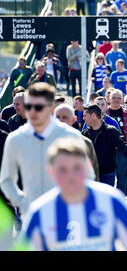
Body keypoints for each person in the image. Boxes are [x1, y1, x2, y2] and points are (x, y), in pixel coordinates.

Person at [21, 137, 127, 251]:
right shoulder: (40, 211)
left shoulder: (111, 201)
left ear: (88, 166)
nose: (71, 176)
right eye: (63, 169)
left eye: (77, 168)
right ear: (51, 172)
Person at [0, 83, 82, 215]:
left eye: (38, 107)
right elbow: (6, 180)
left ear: (51, 108)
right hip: (31, 215)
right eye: (28, 106)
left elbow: (87, 175)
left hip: (67, 213)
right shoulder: (15, 139)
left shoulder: (71, 136)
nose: (32, 111)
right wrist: (22, 203)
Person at [82, 104, 127, 187]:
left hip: (107, 174)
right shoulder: (85, 134)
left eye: (85, 115)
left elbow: (123, 144)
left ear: (93, 116)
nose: (83, 118)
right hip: (90, 174)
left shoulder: (111, 131)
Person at [54, 104, 99, 180]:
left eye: (65, 117)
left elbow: (93, 172)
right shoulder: (45, 141)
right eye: (57, 117)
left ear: (74, 120)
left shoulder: (85, 143)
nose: (61, 121)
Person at [106, 90, 127, 195]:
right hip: (107, 149)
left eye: (119, 98)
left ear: (122, 100)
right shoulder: (104, 113)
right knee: (108, 175)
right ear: (109, 99)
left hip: (122, 149)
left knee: (122, 175)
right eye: (114, 98)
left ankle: (121, 197)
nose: (116, 100)